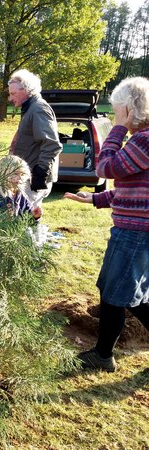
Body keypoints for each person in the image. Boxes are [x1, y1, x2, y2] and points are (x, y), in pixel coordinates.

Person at [64, 76, 149, 372]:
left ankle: (102, 356)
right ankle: (102, 354)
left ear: (129, 108)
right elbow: (135, 190)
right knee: (124, 293)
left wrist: (118, 128)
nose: (114, 116)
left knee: (117, 293)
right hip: (134, 230)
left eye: (117, 110)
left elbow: (106, 167)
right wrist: (95, 200)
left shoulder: (144, 139)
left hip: (136, 233)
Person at [8, 69, 62, 208]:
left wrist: (40, 173)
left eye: (13, 94)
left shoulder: (38, 108)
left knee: (23, 220)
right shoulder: (29, 108)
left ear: (25, 90)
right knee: (25, 218)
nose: (10, 98)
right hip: (25, 175)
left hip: (33, 178)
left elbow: (51, 144)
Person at [0, 155, 42, 220]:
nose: (20, 178)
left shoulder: (21, 196)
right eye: (16, 174)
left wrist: (34, 217)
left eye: (22, 174)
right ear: (4, 173)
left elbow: (26, 221)